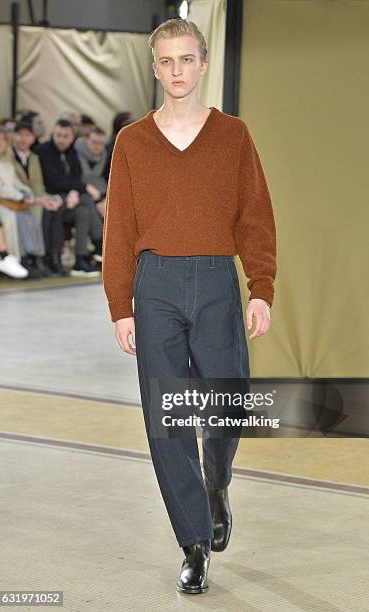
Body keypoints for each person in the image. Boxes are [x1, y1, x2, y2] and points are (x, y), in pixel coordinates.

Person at [102, 19, 277, 595]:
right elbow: (118, 227)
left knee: (227, 400)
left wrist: (262, 287)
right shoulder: (132, 141)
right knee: (167, 418)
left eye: (187, 59)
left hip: (216, 278)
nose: (177, 71)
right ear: (155, 69)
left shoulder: (233, 136)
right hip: (155, 285)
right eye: (166, 62)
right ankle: (194, 543)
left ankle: (216, 480)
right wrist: (120, 304)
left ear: (204, 64)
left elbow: (255, 215)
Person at [36, 119, 103, 276]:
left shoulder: (71, 152)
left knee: (83, 213)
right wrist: (80, 188)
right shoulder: (44, 151)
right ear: (53, 133)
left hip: (68, 200)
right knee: (86, 198)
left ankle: (79, 259)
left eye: (66, 136)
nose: (61, 139)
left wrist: (74, 191)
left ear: (73, 137)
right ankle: (100, 244)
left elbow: (76, 175)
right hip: (51, 198)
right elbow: (54, 182)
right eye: (58, 135)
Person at [11, 121, 67, 276]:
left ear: (33, 138)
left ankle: (53, 256)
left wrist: (45, 198)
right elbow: (13, 185)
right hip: (19, 199)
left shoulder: (34, 157)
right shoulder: (9, 155)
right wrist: (38, 200)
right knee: (42, 209)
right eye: (20, 134)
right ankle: (37, 257)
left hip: (35, 197)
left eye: (27, 135)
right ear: (13, 136)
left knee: (55, 207)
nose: (23, 139)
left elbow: (38, 184)